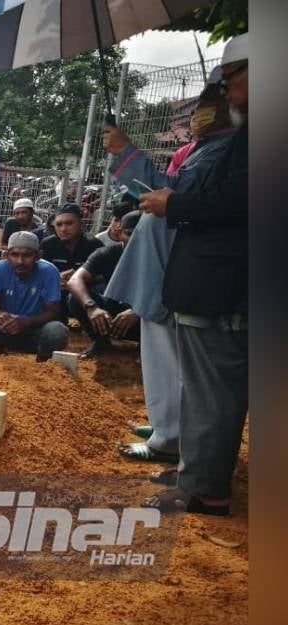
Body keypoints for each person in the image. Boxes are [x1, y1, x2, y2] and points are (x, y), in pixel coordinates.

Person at [134, 34, 248, 515]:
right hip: (214, 277)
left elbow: (235, 200)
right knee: (203, 386)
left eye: (231, 80)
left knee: (212, 390)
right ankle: (196, 471)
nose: (227, 91)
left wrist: (174, 203)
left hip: (223, 280)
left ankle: (204, 489)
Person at [102, 74, 237, 470]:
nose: (198, 113)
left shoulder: (224, 148)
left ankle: (171, 437)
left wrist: (127, 152)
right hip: (168, 263)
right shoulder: (206, 147)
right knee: (163, 348)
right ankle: (168, 424)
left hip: (177, 266)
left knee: (168, 351)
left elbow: (169, 194)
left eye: (208, 103)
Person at [0, 231, 69, 361]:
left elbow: (53, 312)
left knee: (57, 331)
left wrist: (26, 321)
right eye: (14, 255)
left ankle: (42, 362)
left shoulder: (49, 271)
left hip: (35, 332)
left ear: (38, 256)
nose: (20, 261)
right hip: (5, 329)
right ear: (6, 255)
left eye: (27, 255)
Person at [67, 210, 141, 357]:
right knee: (75, 298)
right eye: (129, 234)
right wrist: (92, 307)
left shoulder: (160, 257)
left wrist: (139, 311)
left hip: (145, 318)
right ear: (119, 233)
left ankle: (147, 348)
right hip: (113, 316)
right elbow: (74, 280)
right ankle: (101, 342)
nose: (135, 240)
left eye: (140, 234)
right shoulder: (107, 253)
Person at [39, 202, 104, 319]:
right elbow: (37, 273)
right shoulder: (47, 244)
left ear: (81, 224)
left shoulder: (94, 244)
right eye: (59, 225)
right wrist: (55, 279)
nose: (63, 229)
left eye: (69, 223)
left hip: (85, 293)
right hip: (55, 292)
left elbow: (105, 275)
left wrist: (80, 278)